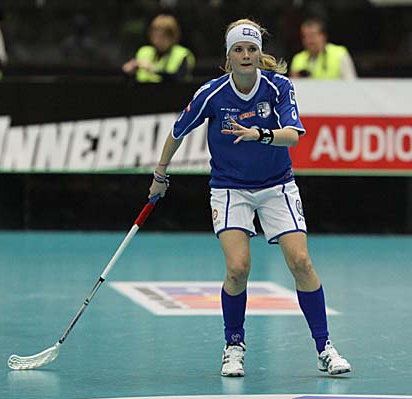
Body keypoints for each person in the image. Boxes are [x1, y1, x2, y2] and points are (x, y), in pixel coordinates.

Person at [148, 18, 352, 377]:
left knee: (301, 262)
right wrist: (160, 175)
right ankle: (234, 346)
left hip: (277, 186)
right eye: (239, 49)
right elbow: (178, 132)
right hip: (230, 188)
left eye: (252, 49)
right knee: (238, 268)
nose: (246, 55)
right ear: (229, 56)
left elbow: (292, 135)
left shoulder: (278, 86)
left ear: (260, 53)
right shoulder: (212, 93)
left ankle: (325, 348)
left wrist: (259, 134)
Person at [122, 14, 195, 83]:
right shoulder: (144, 51)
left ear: (173, 36)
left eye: (163, 36)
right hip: (143, 91)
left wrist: (155, 70)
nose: (158, 40)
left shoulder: (182, 54)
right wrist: (128, 72)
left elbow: (180, 79)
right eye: (155, 35)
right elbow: (132, 80)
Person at [289, 16, 356, 80]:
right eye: (305, 36)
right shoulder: (298, 59)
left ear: (323, 36)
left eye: (312, 35)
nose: (308, 40)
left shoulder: (339, 54)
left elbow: (351, 83)